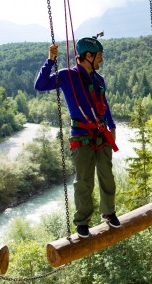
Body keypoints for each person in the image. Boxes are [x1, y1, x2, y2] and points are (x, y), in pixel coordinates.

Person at [35, 36, 121, 238]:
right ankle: (82, 222)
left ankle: (108, 212)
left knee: (107, 177)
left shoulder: (99, 80)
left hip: (101, 135)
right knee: (84, 181)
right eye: (99, 56)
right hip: (81, 137)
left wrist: (112, 126)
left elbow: (104, 105)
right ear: (88, 56)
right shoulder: (67, 76)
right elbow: (40, 85)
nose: (101, 60)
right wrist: (50, 61)